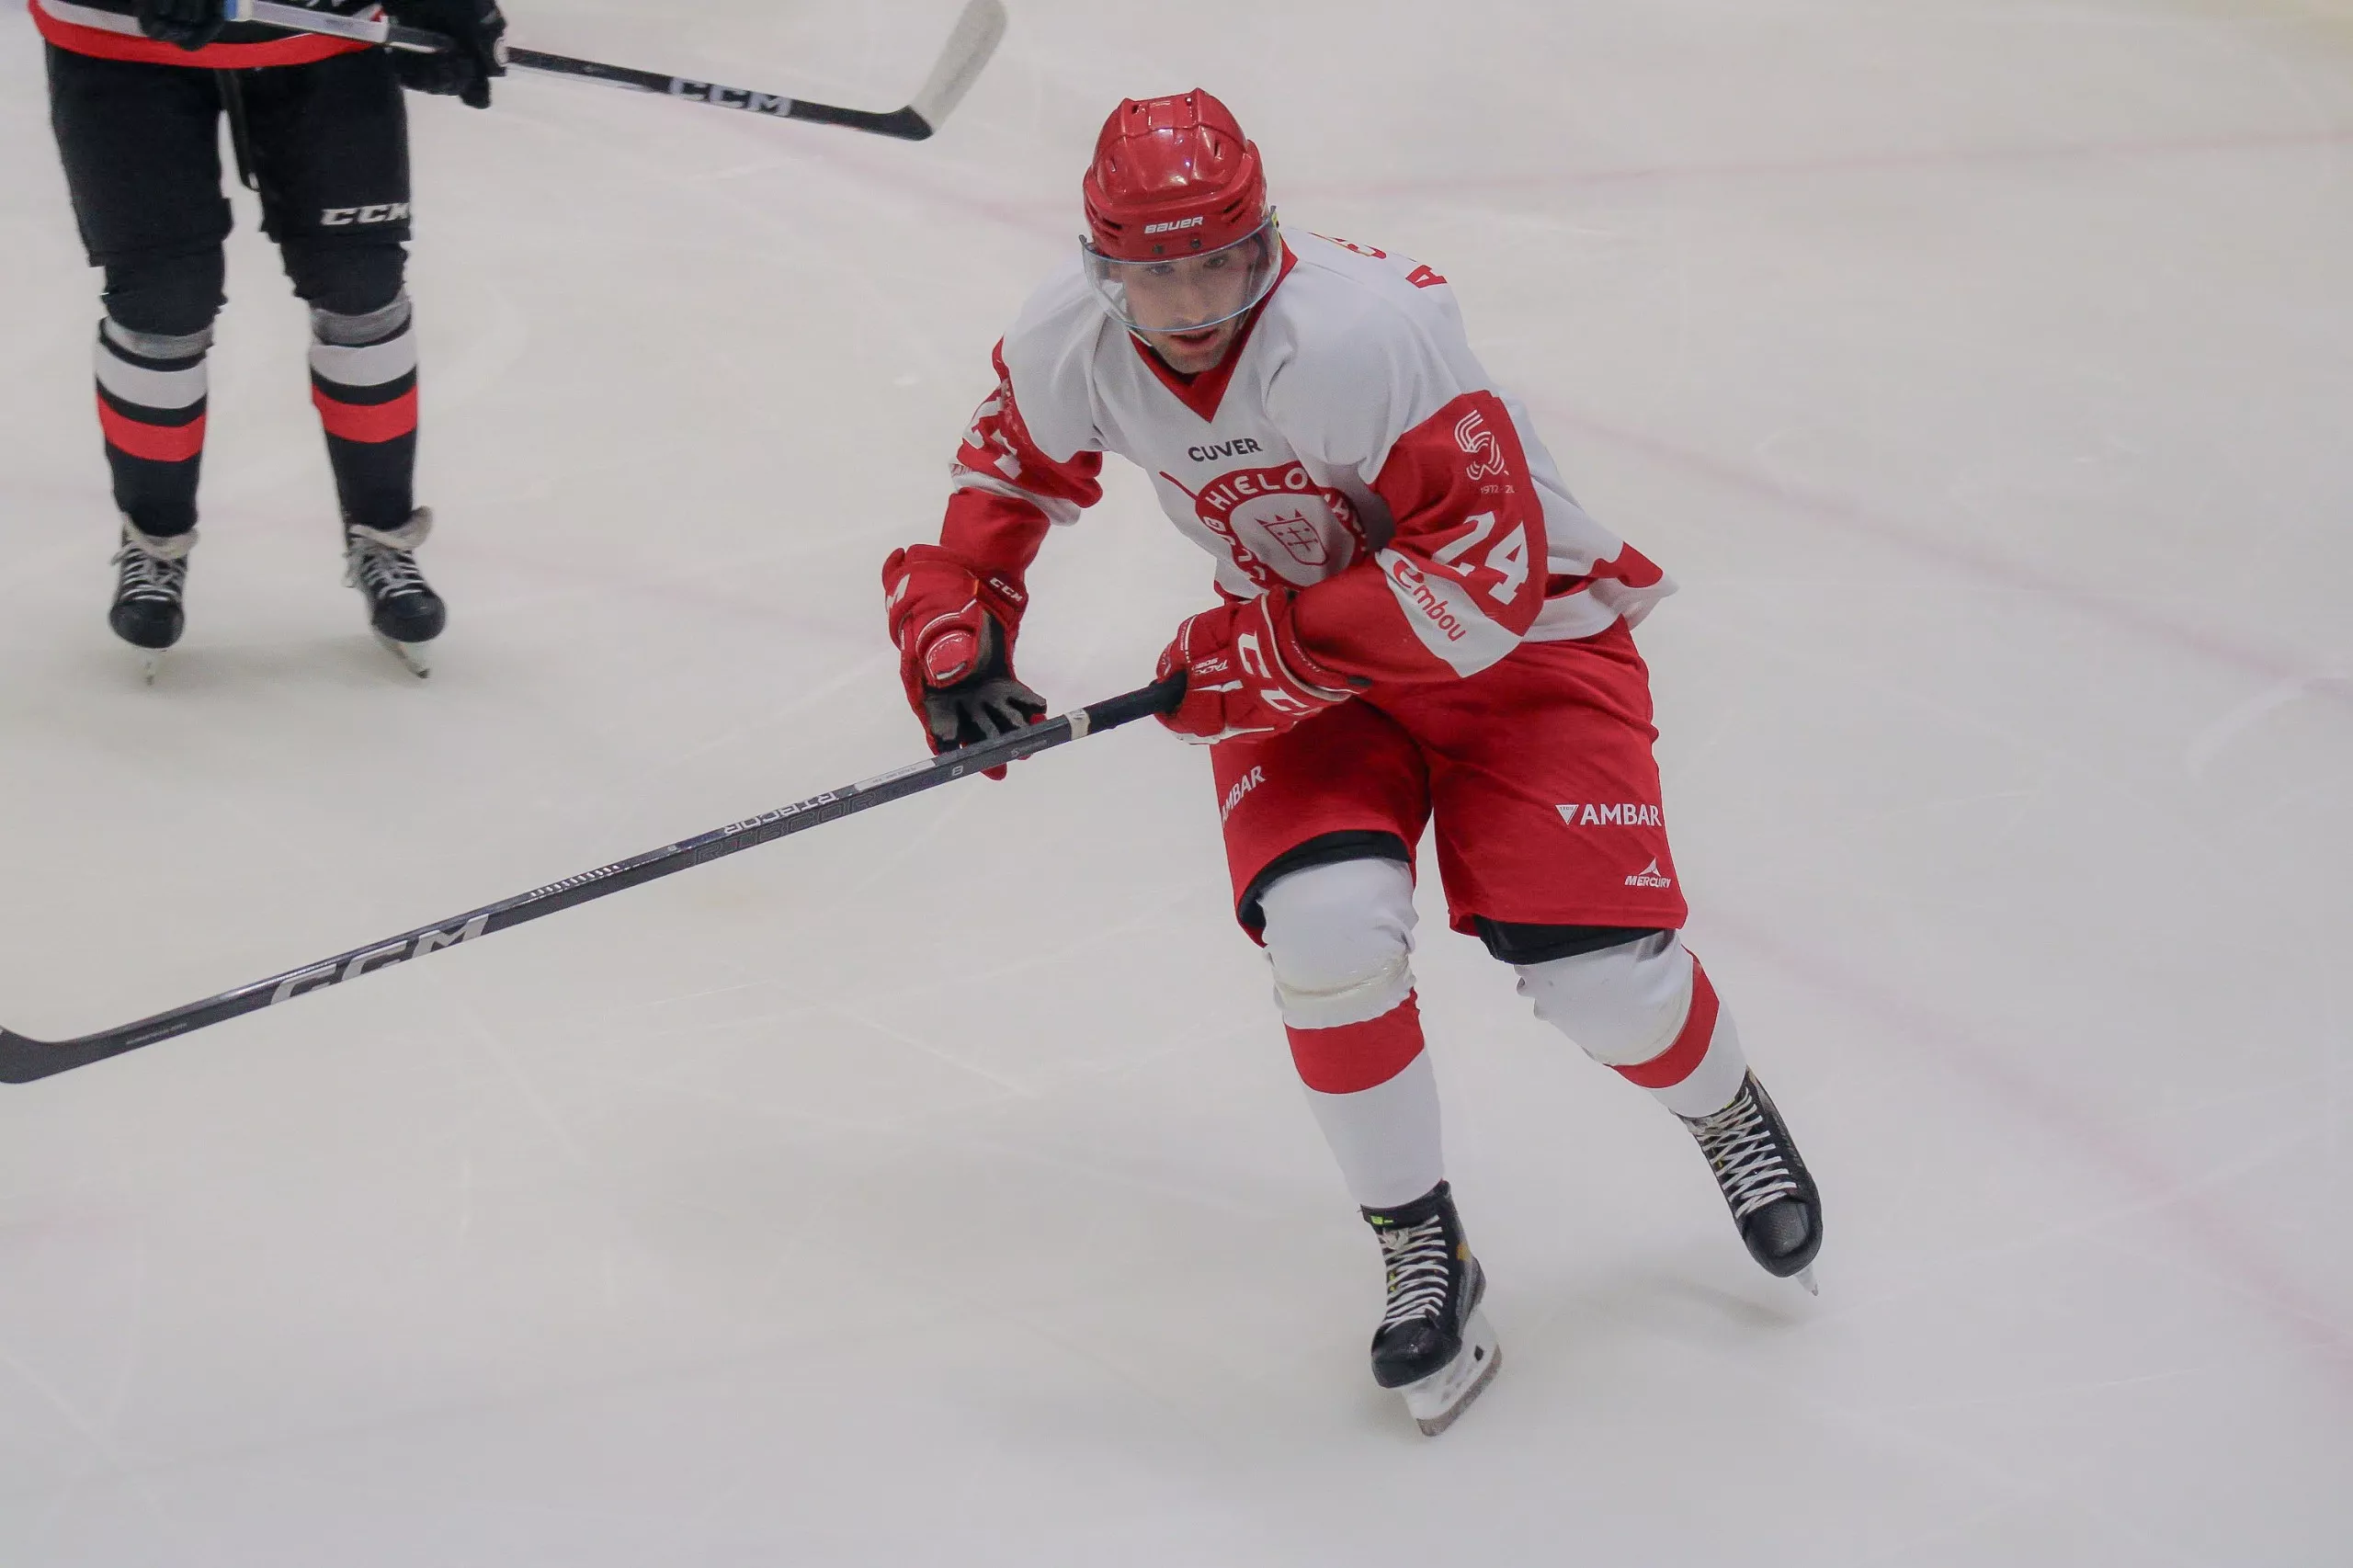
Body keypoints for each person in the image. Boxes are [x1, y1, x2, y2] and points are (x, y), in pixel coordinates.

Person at [883, 90, 1826, 1437]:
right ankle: (1421, 1240)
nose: (1195, 298)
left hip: (1524, 647)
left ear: (1268, 239)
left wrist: (1265, 652)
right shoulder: (1069, 339)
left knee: (1602, 980)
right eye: (1155, 274)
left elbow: (1480, 583)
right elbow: (1003, 491)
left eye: (1222, 260)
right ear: (1104, 270)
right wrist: (959, 629)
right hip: (1316, 663)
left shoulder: (1372, 332)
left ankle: (1725, 1108)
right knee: (1324, 931)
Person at [35, 0, 506, 676]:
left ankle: (384, 536)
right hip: (123, 43)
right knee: (164, 302)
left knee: (360, 285)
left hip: (321, 36)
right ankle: (155, 542)